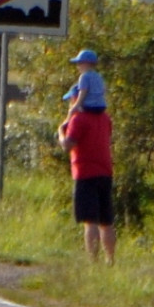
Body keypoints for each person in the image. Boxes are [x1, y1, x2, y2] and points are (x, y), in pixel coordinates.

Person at [58, 102, 115, 265]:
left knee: (90, 221)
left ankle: (93, 261)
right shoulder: (105, 118)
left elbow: (67, 145)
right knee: (107, 221)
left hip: (85, 174)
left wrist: (61, 132)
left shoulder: (79, 119)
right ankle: (110, 260)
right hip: (105, 172)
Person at [67, 49, 106, 114]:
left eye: (79, 63)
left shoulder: (84, 76)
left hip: (90, 106)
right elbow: (103, 90)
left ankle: (66, 122)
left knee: (72, 112)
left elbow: (83, 92)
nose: (78, 66)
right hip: (101, 106)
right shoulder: (98, 76)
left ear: (87, 63)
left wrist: (76, 105)